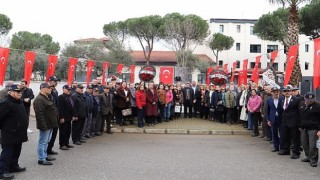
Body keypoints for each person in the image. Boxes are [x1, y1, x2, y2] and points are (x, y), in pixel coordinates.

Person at [0, 84, 28, 179]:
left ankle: (13, 166)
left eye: (20, 91)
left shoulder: (19, 102)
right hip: (10, 133)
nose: (20, 93)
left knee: (17, 151)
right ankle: (2, 171)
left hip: (19, 133)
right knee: (7, 153)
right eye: (17, 91)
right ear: (10, 92)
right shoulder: (6, 103)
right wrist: (6, 129)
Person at [33, 83, 59, 165]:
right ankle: (41, 159)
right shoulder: (39, 99)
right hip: (46, 125)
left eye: (51, 88)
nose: (50, 89)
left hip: (50, 124)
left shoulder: (47, 97)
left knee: (46, 141)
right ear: (42, 88)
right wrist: (43, 127)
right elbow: (39, 115)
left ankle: (45, 156)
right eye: (48, 88)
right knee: (42, 142)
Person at [278, 85, 301, 159]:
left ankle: (296, 152)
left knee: (295, 138)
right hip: (284, 122)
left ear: (291, 92)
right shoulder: (281, 100)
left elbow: (299, 112)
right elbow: (281, 111)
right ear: (283, 92)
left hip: (294, 122)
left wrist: (299, 122)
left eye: (288, 91)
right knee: (285, 137)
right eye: (285, 91)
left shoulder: (296, 100)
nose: (286, 92)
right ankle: (286, 150)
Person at [299, 92, 320, 167]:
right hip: (303, 127)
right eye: (308, 99)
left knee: (313, 145)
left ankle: (313, 159)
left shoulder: (317, 106)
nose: (310, 101)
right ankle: (308, 156)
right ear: (305, 99)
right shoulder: (302, 104)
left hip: (313, 128)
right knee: (304, 144)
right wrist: (299, 125)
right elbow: (300, 115)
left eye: (312, 99)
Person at [266, 87, 284, 152]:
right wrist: (268, 120)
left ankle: (282, 147)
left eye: (277, 91)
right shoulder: (268, 100)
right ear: (272, 93)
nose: (276, 93)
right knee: (274, 133)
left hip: (281, 119)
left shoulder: (282, 98)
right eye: (274, 92)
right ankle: (276, 146)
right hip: (273, 119)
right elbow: (267, 111)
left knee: (282, 133)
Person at [57, 85, 75, 150]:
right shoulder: (61, 97)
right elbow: (60, 108)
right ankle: (62, 144)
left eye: (70, 90)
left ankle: (67, 143)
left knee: (68, 131)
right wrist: (61, 117)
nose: (69, 91)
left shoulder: (70, 96)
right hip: (63, 117)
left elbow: (72, 107)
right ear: (63, 89)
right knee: (63, 131)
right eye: (68, 89)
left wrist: (73, 115)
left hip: (69, 117)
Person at [47, 76, 60, 155]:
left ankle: (50, 149)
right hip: (50, 116)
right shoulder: (48, 90)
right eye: (54, 81)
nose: (56, 82)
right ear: (50, 81)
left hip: (56, 115)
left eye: (56, 81)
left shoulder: (55, 90)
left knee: (54, 133)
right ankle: (46, 151)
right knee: (48, 135)